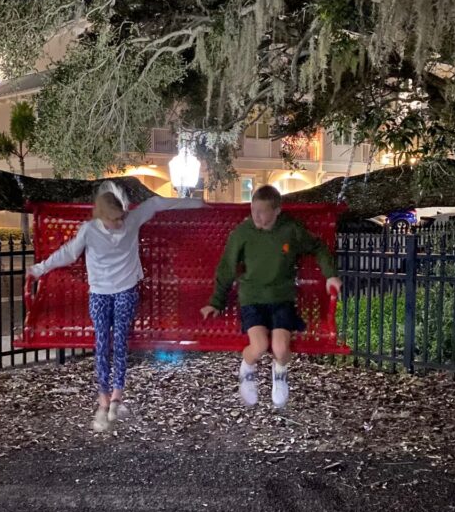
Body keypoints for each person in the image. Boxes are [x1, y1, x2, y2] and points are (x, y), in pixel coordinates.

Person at [28, 181, 203, 431]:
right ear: (101, 217)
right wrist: (39, 269)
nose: (119, 224)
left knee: (120, 340)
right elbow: (68, 253)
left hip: (126, 289)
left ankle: (117, 397)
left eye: (121, 218)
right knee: (102, 342)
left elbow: (157, 203)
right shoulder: (90, 230)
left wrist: (198, 203)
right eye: (114, 221)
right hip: (100, 292)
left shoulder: (131, 219)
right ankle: (103, 400)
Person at [200, 185, 341, 408]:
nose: (256, 215)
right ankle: (246, 370)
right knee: (258, 346)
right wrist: (216, 301)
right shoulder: (243, 233)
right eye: (253, 210)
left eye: (262, 211)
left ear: (277, 211)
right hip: (252, 298)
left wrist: (331, 276)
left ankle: (280, 373)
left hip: (281, 298)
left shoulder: (290, 230)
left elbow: (318, 247)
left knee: (281, 349)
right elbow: (226, 268)